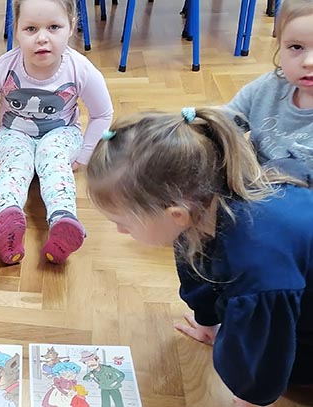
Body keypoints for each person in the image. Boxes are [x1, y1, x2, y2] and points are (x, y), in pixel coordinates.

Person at [86, 106, 313, 406]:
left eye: (123, 223)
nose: (119, 231)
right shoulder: (201, 204)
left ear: (176, 215)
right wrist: (207, 321)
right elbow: (195, 268)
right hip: (285, 286)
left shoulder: (255, 269)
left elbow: (264, 350)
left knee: (289, 370)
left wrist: (251, 396)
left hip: (289, 298)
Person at [0, 0, 113, 265]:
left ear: (71, 26)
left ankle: (63, 220)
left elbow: (102, 114)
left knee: (52, 157)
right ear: (16, 30)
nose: (42, 38)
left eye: (54, 27)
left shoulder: (80, 68)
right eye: (31, 29)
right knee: (16, 162)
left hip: (61, 134)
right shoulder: (4, 68)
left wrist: (84, 156)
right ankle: (7, 222)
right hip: (13, 134)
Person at [227, 0, 313, 183]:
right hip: (254, 186)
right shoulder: (269, 86)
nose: (308, 62)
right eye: (296, 47)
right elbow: (225, 122)